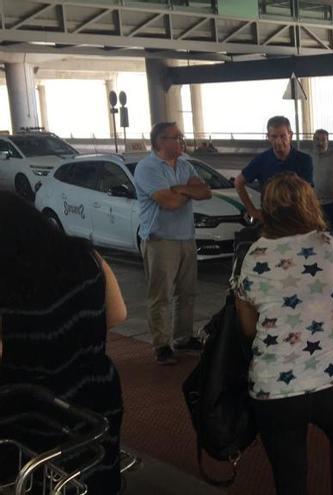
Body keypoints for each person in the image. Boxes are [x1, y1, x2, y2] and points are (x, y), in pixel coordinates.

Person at [234, 172, 333, 495]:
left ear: (266, 209)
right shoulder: (332, 246)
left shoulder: (253, 255)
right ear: (309, 205)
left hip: (276, 388)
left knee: (290, 478)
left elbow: (246, 328)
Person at [0, 192, 127, 493]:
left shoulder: (6, 282)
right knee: (95, 470)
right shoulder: (86, 256)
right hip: (97, 391)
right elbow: (117, 314)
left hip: (31, 414)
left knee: (41, 481)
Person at [134, 122, 212, 365]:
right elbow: (170, 202)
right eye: (176, 137)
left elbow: (205, 192)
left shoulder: (185, 164)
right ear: (160, 142)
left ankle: (183, 337)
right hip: (161, 240)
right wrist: (186, 191)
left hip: (186, 237)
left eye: (181, 136)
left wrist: (181, 189)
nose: (181, 141)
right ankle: (162, 344)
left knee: (186, 293)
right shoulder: (147, 168)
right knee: (161, 296)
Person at [235, 116, 314, 222]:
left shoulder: (304, 160)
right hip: (270, 220)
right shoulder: (261, 160)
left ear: (290, 135)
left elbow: (307, 192)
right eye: (274, 136)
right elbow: (238, 182)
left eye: (282, 136)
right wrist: (252, 210)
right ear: (268, 137)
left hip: (298, 218)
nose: (278, 141)